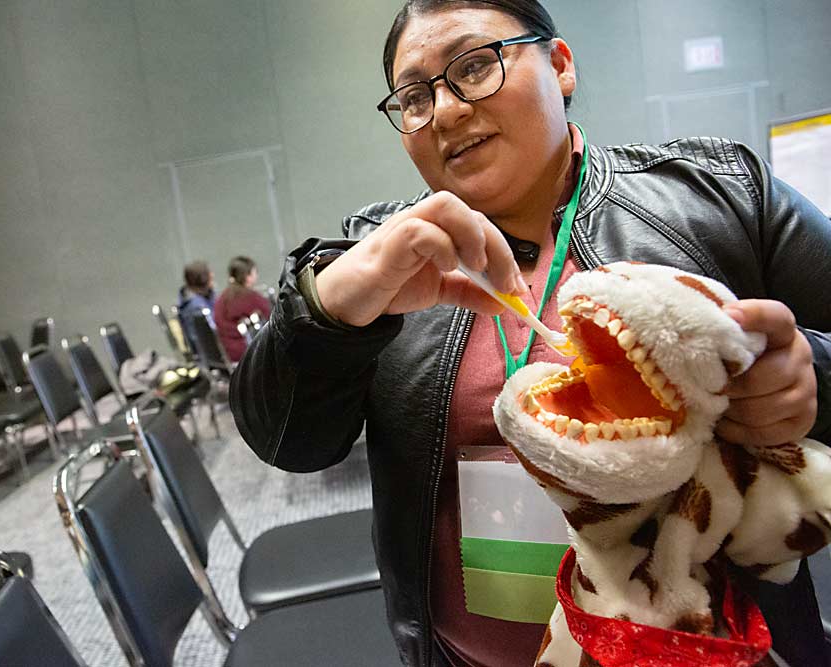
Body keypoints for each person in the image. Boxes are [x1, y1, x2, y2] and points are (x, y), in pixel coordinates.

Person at [230, 1, 831, 666]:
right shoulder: (380, 262)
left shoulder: (715, 195)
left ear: (561, 65)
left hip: (720, 647)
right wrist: (329, 307)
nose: (449, 110)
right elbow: (289, 440)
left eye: (475, 66)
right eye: (415, 96)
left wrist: (811, 378)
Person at [213, 256, 272, 363]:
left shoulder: (223, 297)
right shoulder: (250, 297)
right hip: (246, 354)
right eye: (255, 272)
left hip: (228, 353)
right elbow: (272, 315)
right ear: (247, 276)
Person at [176, 260, 216, 358]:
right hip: (208, 355)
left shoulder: (202, 297)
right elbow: (210, 337)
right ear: (203, 279)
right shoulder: (195, 308)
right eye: (209, 273)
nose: (213, 275)